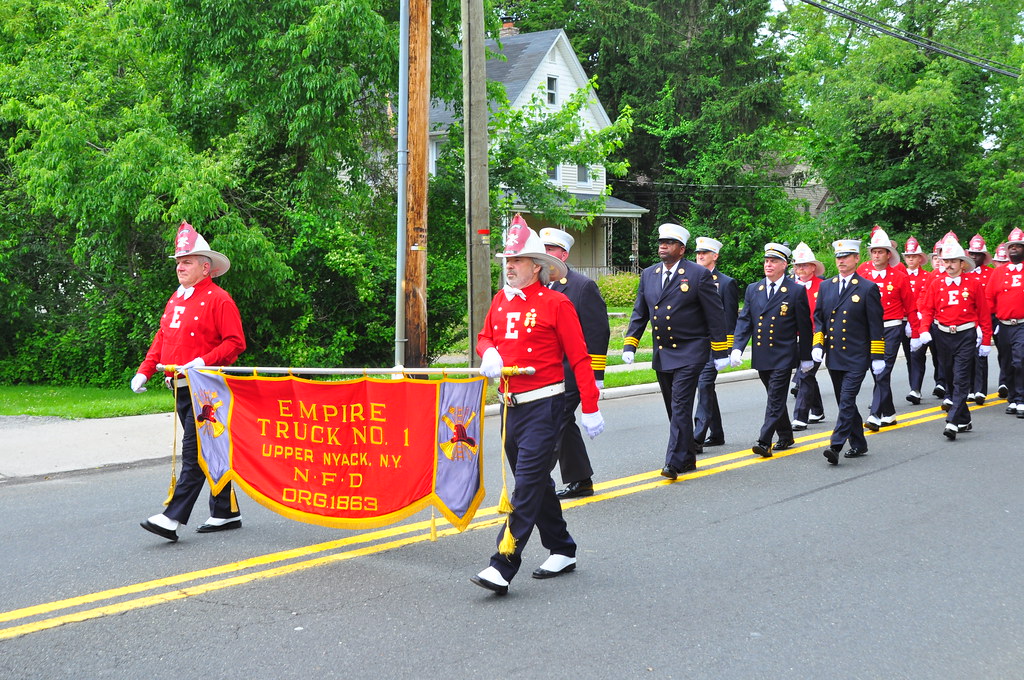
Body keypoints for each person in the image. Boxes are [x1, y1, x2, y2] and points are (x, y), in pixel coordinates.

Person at [471, 221, 605, 595]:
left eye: (517, 260)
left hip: (546, 406)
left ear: (537, 266)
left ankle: (502, 563)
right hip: (510, 409)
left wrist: (591, 406)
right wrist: (489, 351)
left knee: (526, 487)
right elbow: (485, 337)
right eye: (507, 260)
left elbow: (580, 358)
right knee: (537, 483)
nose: (509, 266)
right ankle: (562, 548)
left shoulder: (556, 303)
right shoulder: (500, 300)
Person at [133, 221, 246, 542]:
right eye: (179, 262)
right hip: (181, 388)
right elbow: (163, 336)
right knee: (211, 450)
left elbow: (235, 342)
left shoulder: (219, 298)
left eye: (187, 262)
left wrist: (202, 361)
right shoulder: (176, 298)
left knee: (195, 451)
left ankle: (172, 517)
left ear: (205, 267)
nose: (180, 267)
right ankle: (225, 511)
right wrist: (146, 368)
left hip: (206, 390)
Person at [623, 223, 729, 480]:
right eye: (661, 242)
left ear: (681, 249)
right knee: (673, 408)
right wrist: (630, 343)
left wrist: (721, 349)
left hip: (691, 350)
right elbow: (641, 312)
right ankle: (689, 455)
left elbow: (715, 314)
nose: (662, 246)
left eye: (669, 243)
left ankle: (673, 462)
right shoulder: (649, 274)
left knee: (681, 406)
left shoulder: (697, 274)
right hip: (663, 351)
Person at [539, 227, 611, 500]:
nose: (545, 255)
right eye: (542, 249)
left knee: (552, 422)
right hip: (546, 373)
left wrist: (595, 376)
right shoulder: (537, 286)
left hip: (571, 373)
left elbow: (597, 332)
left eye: (551, 250)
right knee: (564, 423)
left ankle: (533, 484)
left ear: (564, 255)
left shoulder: (582, 286)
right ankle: (581, 479)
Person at [730, 243, 813, 457]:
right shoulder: (753, 289)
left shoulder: (795, 291)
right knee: (774, 396)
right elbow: (745, 320)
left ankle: (764, 440)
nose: (768, 265)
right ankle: (786, 434)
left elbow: (804, 326)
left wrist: (805, 357)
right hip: (762, 354)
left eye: (774, 261)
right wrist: (737, 348)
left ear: (784, 265)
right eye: (766, 261)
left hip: (784, 354)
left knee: (775, 398)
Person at [812, 239, 885, 465]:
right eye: (838, 257)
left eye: (846, 257)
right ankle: (859, 443)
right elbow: (819, 319)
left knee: (846, 400)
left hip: (857, 355)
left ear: (856, 259)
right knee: (845, 402)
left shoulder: (867, 288)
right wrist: (817, 344)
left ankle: (836, 444)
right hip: (835, 356)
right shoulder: (826, 286)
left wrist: (877, 356)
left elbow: (875, 325)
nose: (841, 261)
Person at [915, 237, 992, 439]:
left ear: (962, 263)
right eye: (945, 261)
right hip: (942, 335)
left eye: (953, 261)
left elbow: (984, 314)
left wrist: (985, 341)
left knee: (960, 378)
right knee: (948, 377)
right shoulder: (936, 283)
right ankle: (965, 419)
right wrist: (924, 329)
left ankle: (952, 421)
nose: (948, 265)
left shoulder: (974, 284)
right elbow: (928, 309)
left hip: (966, 335)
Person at [857, 228, 919, 430]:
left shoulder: (899, 277)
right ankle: (889, 412)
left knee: (883, 369)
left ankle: (875, 414)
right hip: (868, 329)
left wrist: (914, 329)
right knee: (876, 371)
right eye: (874, 251)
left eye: (880, 252)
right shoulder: (863, 273)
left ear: (888, 254)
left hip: (891, 327)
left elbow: (910, 305)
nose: (876, 255)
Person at [692, 236, 739, 449]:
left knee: (704, 385)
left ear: (715, 256)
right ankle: (717, 433)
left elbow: (730, 320)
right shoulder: (689, 279)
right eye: (698, 253)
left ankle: (696, 438)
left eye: (705, 253)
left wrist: (726, 350)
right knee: (707, 388)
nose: (700, 256)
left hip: (715, 347)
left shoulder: (726, 283)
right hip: (694, 346)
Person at [985, 228, 1024, 419]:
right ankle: (1013, 399)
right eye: (1012, 247)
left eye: (1018, 246)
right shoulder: (999, 272)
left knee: (1020, 360)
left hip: (1023, 324)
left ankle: (1022, 398)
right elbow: (989, 299)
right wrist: (990, 323)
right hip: (1004, 323)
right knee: (1007, 362)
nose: (1014, 249)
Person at [790, 242, 827, 430]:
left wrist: (820, 343)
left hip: (815, 337)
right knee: (808, 375)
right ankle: (818, 409)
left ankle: (800, 417)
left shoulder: (824, 286)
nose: (800, 269)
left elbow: (825, 317)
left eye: (804, 265)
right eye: (797, 265)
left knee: (805, 374)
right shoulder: (789, 287)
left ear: (813, 267)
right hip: (793, 339)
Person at [965, 234, 994, 405]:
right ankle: (969, 388)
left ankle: (980, 390)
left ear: (984, 256)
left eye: (978, 254)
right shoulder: (964, 274)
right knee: (967, 356)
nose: (974, 257)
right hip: (968, 319)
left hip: (985, 318)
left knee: (981, 355)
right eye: (972, 254)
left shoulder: (991, 274)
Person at [900, 236, 930, 404]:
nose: (910, 259)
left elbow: (925, 297)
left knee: (917, 354)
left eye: (913, 256)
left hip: (918, 319)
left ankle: (915, 389)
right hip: (901, 319)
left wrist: (918, 316)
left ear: (920, 258)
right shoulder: (899, 275)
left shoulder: (926, 277)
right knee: (907, 354)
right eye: (908, 256)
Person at [990, 242, 1015, 403]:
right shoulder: (997, 275)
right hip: (1000, 320)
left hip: (1019, 321)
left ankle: (1017, 393)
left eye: (1004, 262)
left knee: (1018, 358)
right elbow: (989, 299)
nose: (1001, 265)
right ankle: (1008, 388)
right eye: (998, 261)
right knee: (1005, 356)